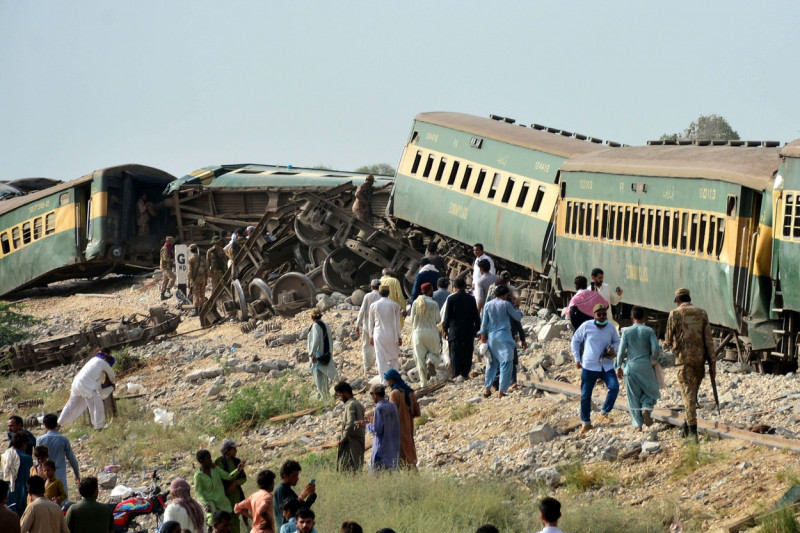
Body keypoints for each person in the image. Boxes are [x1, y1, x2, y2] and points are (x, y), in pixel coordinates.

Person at [665, 287, 716, 441]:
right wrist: (713, 363)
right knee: (691, 395)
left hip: (684, 361)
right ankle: (686, 426)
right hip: (700, 361)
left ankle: (693, 432)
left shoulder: (674, 314)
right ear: (689, 298)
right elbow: (709, 340)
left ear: (678, 300)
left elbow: (667, 340)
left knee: (688, 395)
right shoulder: (702, 313)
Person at [571, 304, 621, 436]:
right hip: (590, 366)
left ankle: (604, 413)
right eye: (599, 314)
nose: (602, 317)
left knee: (614, 387)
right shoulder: (586, 326)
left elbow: (617, 341)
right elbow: (575, 340)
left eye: (604, 314)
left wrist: (613, 348)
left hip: (607, 365)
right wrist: (577, 358)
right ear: (594, 315)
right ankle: (586, 422)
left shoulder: (610, 327)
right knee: (585, 395)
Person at [616, 306, 662, 431]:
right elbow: (656, 349)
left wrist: (618, 366)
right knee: (651, 391)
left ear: (631, 318)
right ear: (644, 317)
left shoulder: (626, 331)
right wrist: (655, 359)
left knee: (633, 397)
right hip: (646, 366)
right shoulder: (649, 331)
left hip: (630, 367)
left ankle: (638, 426)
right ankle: (646, 408)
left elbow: (620, 352)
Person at [479, 285, 523, 398]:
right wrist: (518, 310)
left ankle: (487, 389)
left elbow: (483, 325)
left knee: (491, 364)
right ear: (504, 295)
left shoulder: (487, 305)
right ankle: (501, 391)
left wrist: (483, 340)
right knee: (506, 363)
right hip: (504, 337)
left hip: (492, 338)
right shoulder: (506, 304)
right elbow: (516, 317)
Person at [58, 349, 116, 430]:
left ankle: (59, 423)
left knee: (71, 404)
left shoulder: (93, 360)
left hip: (76, 383)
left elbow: (97, 383)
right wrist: (113, 386)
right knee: (97, 404)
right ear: (107, 355)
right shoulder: (103, 363)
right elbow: (112, 376)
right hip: (86, 386)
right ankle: (99, 427)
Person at [194, 449, 246, 526]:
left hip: (222, 501)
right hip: (211, 503)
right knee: (213, 522)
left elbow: (228, 476)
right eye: (208, 459)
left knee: (228, 522)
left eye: (210, 458)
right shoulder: (198, 476)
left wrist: (238, 470)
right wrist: (205, 504)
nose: (211, 460)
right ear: (201, 461)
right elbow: (198, 492)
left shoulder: (215, 469)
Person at [442, 278, 481, 379]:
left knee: (455, 352)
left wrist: (445, 329)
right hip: (468, 331)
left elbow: (447, 316)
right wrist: (478, 329)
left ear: (455, 288)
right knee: (467, 352)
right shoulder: (471, 299)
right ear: (464, 286)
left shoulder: (451, 299)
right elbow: (476, 316)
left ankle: (456, 374)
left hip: (455, 331)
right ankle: (465, 373)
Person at [357, 384, 401, 472]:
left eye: (371, 395)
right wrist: (373, 422)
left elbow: (377, 430)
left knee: (377, 478)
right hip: (393, 448)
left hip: (381, 451)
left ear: (375, 395)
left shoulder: (379, 408)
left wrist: (366, 425)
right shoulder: (392, 406)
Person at [36, 414, 79, 500]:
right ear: (56, 424)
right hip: (60, 474)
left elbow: (38, 460)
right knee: (61, 501)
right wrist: (77, 474)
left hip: (45, 474)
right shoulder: (63, 439)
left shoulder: (40, 440)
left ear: (45, 426)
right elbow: (72, 459)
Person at [384, 369, 421, 469]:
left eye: (388, 381)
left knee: (401, 456)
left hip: (397, 429)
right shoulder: (410, 392)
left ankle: (409, 479)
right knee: (409, 449)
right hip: (408, 427)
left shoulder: (394, 394)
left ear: (392, 380)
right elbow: (417, 412)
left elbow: (391, 414)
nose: (387, 383)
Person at [367, 286, 402, 384]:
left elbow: (371, 322)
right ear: (388, 292)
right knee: (394, 358)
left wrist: (370, 335)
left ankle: (384, 382)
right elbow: (397, 323)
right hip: (392, 334)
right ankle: (395, 380)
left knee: (380, 359)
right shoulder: (394, 305)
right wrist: (399, 336)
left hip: (378, 334)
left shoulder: (374, 305)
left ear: (379, 293)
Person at [410, 283, 442, 386]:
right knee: (435, 354)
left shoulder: (415, 303)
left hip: (418, 333)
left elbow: (411, 319)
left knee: (419, 359)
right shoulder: (434, 304)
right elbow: (438, 320)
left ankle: (423, 382)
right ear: (430, 290)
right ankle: (431, 361)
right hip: (432, 333)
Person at [272, 461, 316, 530]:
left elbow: (303, 510)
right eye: (294, 476)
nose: (297, 478)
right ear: (285, 476)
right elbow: (286, 514)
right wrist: (301, 497)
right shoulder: (281, 490)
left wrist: (311, 495)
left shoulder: (289, 490)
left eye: (297, 475)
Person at [215, 440, 247, 533]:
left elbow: (243, 478)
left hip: (236, 495)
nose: (236, 451)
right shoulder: (218, 461)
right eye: (234, 449)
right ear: (227, 450)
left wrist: (235, 483)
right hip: (223, 495)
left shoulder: (237, 461)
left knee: (235, 517)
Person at [333, 382, 365, 473]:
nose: (339, 398)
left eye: (340, 395)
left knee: (350, 468)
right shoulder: (357, 403)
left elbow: (350, 423)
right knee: (357, 465)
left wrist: (343, 437)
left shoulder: (350, 405)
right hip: (359, 438)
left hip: (352, 440)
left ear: (346, 393)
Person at [307, 308, 338, 400]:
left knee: (318, 375)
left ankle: (323, 396)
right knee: (324, 375)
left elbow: (315, 340)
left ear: (312, 317)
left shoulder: (315, 326)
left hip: (317, 355)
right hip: (325, 354)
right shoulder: (325, 325)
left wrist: (312, 353)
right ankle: (323, 394)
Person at [355, 279, 381, 373]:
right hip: (379, 327)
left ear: (371, 287)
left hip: (367, 326)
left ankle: (367, 367)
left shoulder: (367, 296)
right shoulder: (382, 296)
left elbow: (362, 311)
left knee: (366, 346)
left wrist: (357, 325)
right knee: (378, 347)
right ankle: (379, 367)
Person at [6, 433, 32, 516]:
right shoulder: (26, 458)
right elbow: (27, 477)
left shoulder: (5, 456)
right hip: (21, 491)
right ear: (24, 444)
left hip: (7, 491)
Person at [187, 243, 209, 316]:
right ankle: (201, 309)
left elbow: (189, 271)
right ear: (196, 250)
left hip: (195, 279)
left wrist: (188, 282)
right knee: (202, 293)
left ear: (190, 250)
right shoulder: (202, 258)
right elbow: (206, 269)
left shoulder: (190, 259)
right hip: (202, 277)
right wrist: (206, 279)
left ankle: (196, 310)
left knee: (195, 294)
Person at [160, 236, 177, 300]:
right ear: (168, 242)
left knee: (165, 280)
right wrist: (173, 260)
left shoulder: (169, 248)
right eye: (172, 242)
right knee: (173, 277)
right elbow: (165, 258)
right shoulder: (165, 248)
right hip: (165, 267)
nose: (173, 243)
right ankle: (168, 289)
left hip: (168, 266)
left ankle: (162, 295)